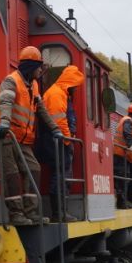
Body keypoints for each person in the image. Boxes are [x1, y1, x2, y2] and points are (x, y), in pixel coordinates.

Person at [0, 46, 61, 225]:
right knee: (11, 173)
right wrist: (4, 121)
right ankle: (16, 215)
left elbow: (41, 109)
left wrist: (54, 128)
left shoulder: (34, 85)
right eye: (39, 67)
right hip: (4, 135)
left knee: (34, 168)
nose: (40, 71)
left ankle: (31, 212)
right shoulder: (11, 81)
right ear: (31, 66)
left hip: (21, 138)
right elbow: (5, 102)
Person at [39, 64, 84, 222]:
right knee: (60, 174)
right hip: (56, 140)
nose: (76, 89)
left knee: (62, 174)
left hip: (56, 139)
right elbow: (59, 120)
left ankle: (61, 211)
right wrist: (67, 141)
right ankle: (59, 213)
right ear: (70, 82)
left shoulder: (59, 92)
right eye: (75, 85)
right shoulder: (57, 94)